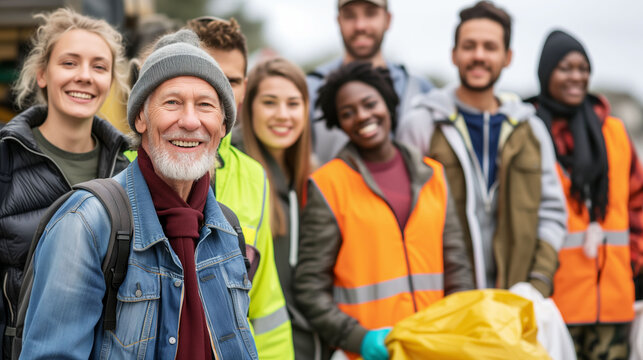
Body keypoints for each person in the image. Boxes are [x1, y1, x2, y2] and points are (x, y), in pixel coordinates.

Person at [20, 29, 258, 359]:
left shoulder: (227, 231)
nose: (190, 121)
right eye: (172, 102)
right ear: (141, 118)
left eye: (205, 105)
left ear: (222, 126)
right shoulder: (87, 223)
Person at [295, 61, 474, 360]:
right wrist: (358, 339)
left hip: (435, 349)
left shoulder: (434, 176)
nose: (362, 116)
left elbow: (457, 269)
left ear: (388, 103)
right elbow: (309, 287)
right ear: (339, 123)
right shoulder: (327, 185)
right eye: (347, 113)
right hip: (369, 353)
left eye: (369, 104)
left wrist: (455, 328)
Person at [396, 1, 567, 297]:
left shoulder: (531, 130)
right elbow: (402, 214)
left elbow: (552, 213)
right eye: (469, 46)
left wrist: (537, 283)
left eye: (490, 47)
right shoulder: (421, 123)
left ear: (507, 56)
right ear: (454, 54)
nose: (478, 56)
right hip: (445, 300)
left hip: (516, 301)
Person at [0, 8, 130, 358]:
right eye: (69, 63)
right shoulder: (4, 160)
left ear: (111, 81)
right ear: (42, 74)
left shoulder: (128, 173)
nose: (85, 76)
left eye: (99, 67)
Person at [527, 29, 643, 360]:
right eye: (565, 68)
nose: (576, 76)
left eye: (583, 68)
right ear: (546, 73)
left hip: (613, 305)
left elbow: (638, 202)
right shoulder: (530, 133)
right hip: (555, 306)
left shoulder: (615, 132)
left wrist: (630, 263)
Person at [186, 16, 295, 360]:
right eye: (209, 75)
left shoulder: (254, 177)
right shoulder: (129, 165)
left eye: (231, 81)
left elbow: (265, 305)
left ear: (245, 86)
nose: (220, 92)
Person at [240, 57, 332, 359]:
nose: (283, 115)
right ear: (248, 106)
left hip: (310, 346)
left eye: (293, 104)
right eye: (269, 102)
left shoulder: (311, 182)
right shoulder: (235, 175)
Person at [307, 0, 433, 165]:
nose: (360, 25)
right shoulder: (310, 89)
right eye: (350, 15)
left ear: (387, 19)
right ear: (338, 21)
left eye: (370, 13)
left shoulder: (420, 90)